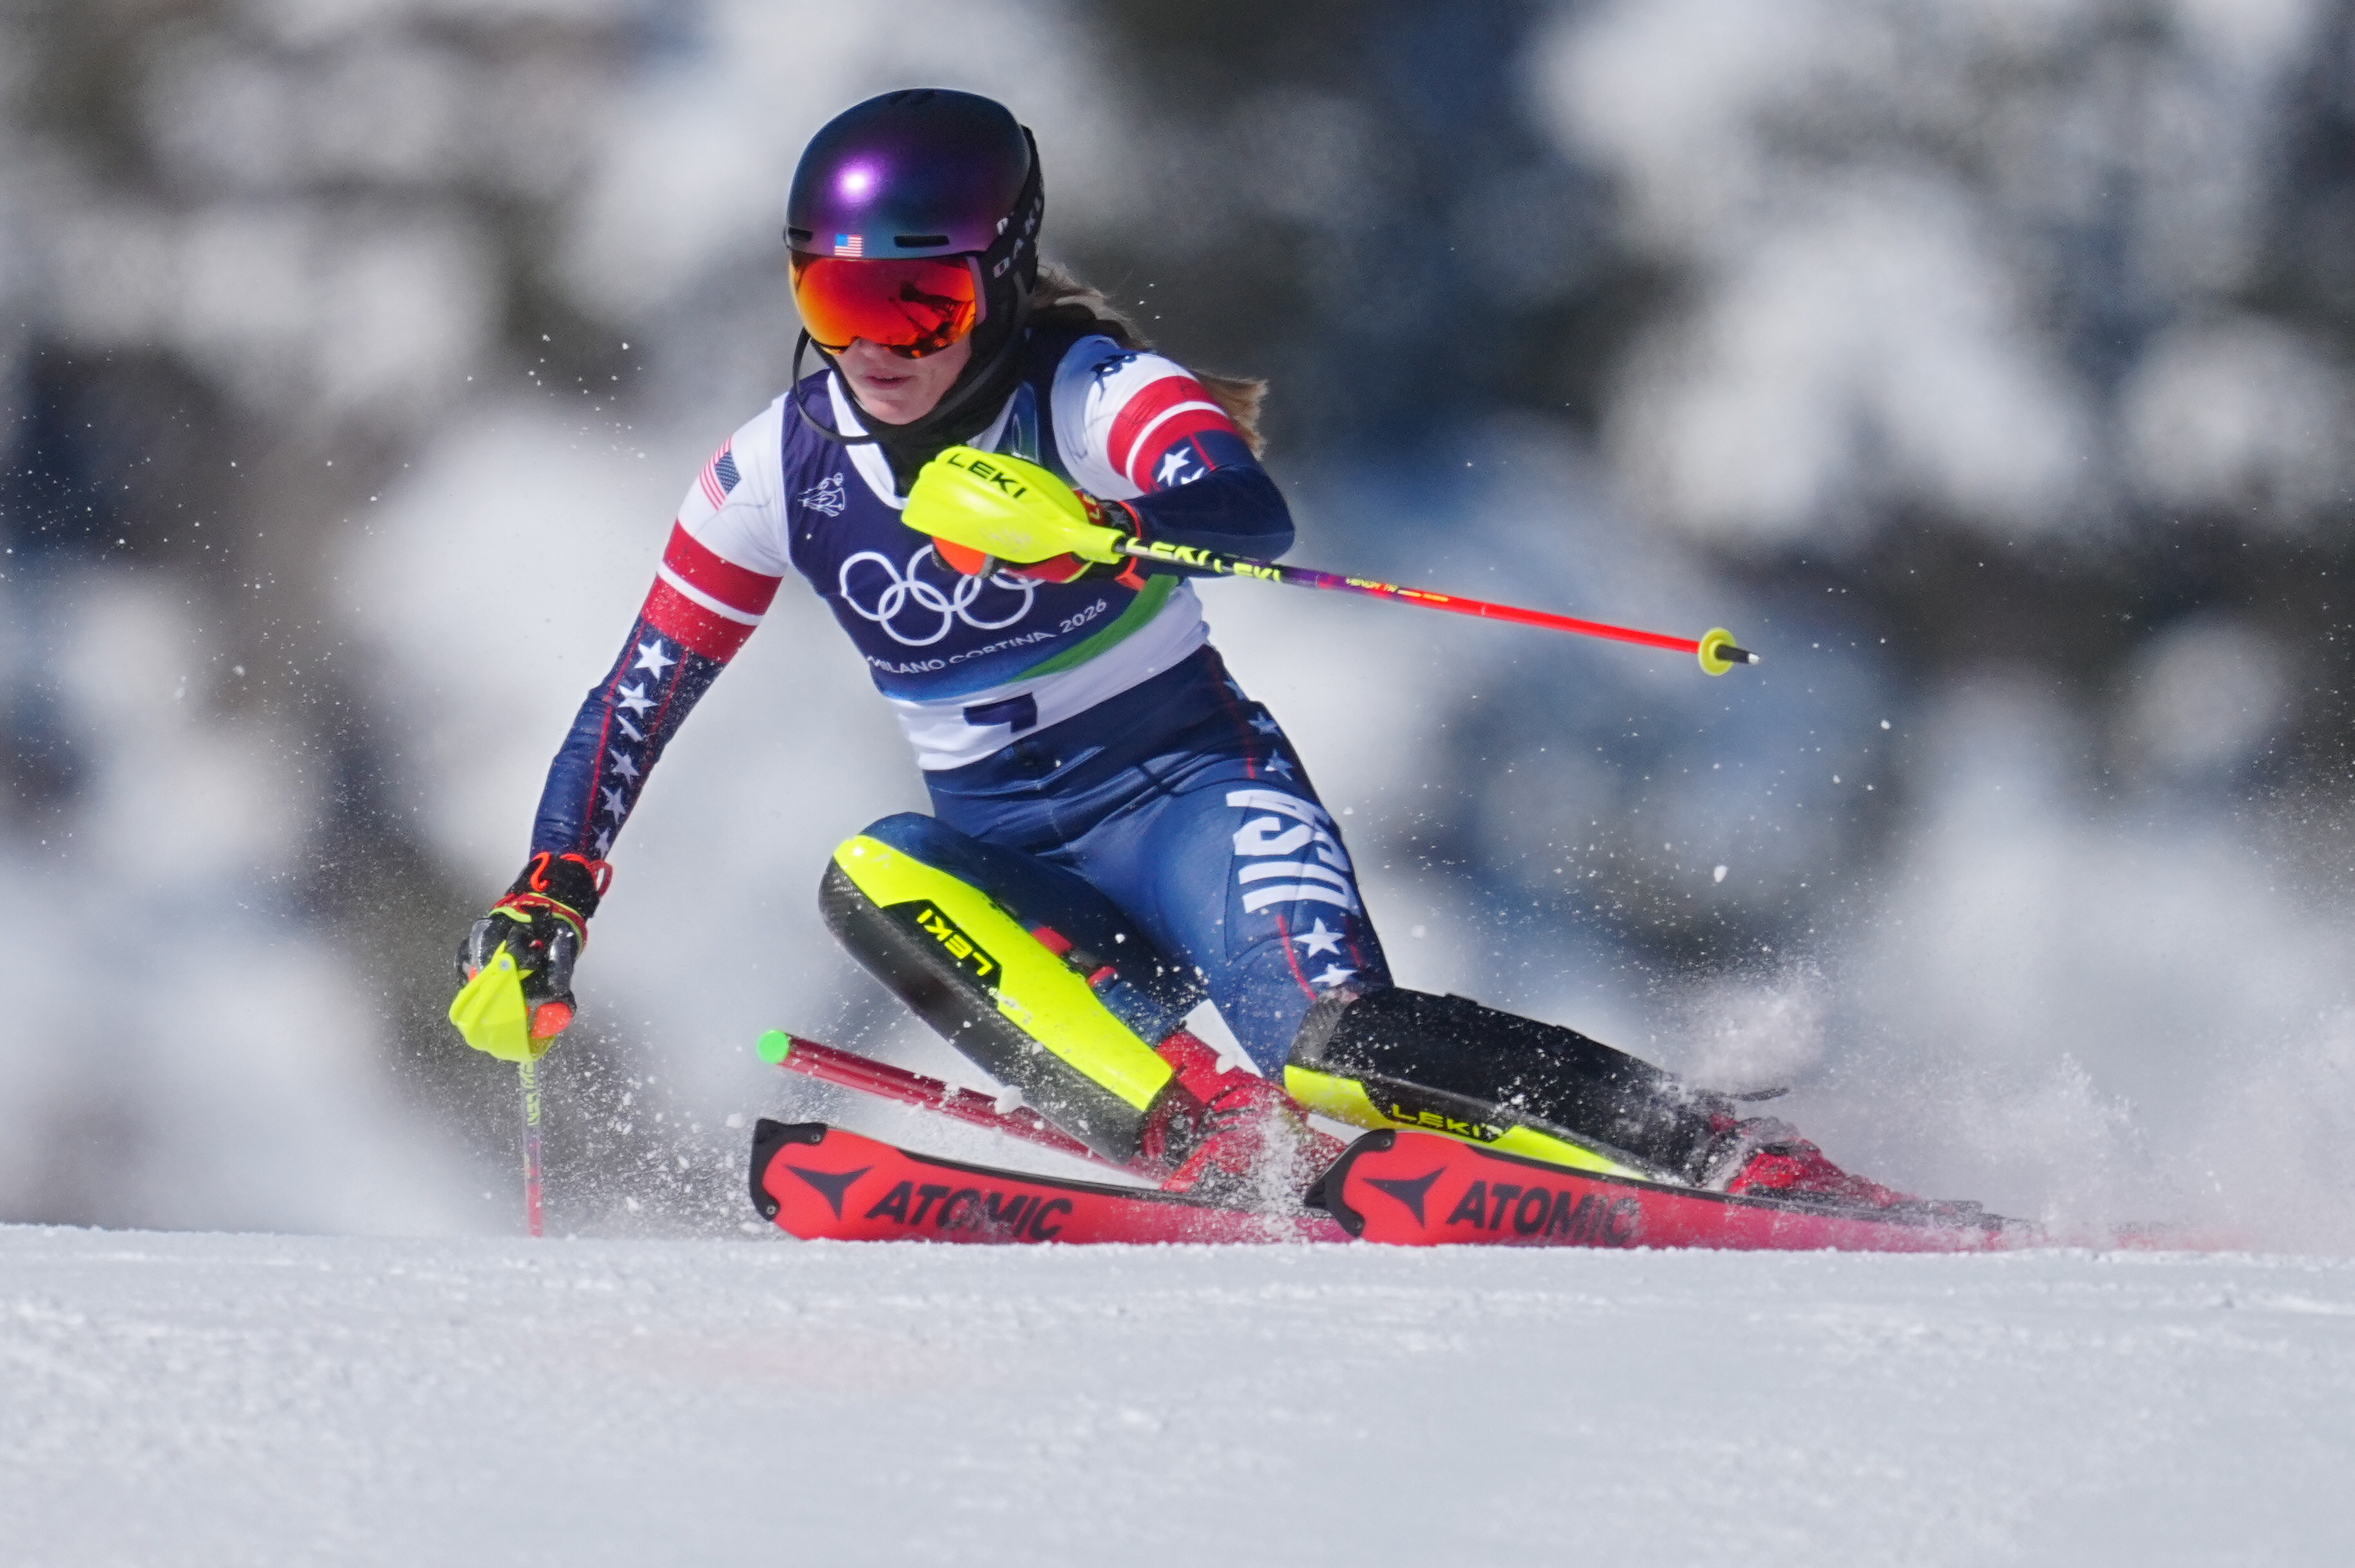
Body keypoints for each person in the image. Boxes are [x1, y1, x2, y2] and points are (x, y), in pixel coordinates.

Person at [454, 88, 1910, 1211]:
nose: (878, 346)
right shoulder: (773, 472)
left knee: (1337, 1050)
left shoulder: (1085, 388)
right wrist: (548, 892)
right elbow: (637, 692)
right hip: (1019, 865)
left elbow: (1243, 504)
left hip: (1194, 800)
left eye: (921, 301)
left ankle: (1726, 1152)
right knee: (871, 874)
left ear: (1000, 277)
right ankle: (1216, 1149)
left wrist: (1099, 523)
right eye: (836, 299)